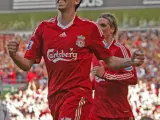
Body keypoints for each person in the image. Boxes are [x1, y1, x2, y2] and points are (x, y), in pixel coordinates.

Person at [7, 0, 144, 120]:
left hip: (78, 95)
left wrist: (130, 61)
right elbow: (26, 64)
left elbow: (110, 61)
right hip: (55, 97)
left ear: (77, 1)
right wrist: (14, 55)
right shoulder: (43, 28)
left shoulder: (89, 28)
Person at [90, 13, 138, 120]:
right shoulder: (94, 51)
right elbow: (98, 80)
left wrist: (106, 75)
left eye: (103, 25)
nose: (99, 29)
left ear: (112, 29)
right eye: (97, 26)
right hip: (97, 112)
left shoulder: (121, 50)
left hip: (118, 112)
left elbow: (132, 77)